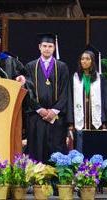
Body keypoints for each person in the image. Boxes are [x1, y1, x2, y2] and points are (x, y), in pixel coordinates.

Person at [25, 33, 71, 163]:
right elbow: (28, 92)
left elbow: (65, 92)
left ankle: (56, 181)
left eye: (50, 46)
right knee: (37, 149)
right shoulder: (30, 66)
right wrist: (39, 109)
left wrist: (54, 110)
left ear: (54, 48)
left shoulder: (62, 67)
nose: (47, 49)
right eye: (44, 46)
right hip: (36, 117)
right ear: (39, 47)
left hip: (56, 118)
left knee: (56, 150)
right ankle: (37, 181)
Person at [68, 44, 107, 131]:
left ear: (92, 61)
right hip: (78, 120)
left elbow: (104, 100)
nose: (84, 61)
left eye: (87, 59)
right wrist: (70, 122)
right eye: (82, 59)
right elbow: (70, 100)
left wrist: (104, 121)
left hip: (96, 121)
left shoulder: (100, 79)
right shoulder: (74, 78)